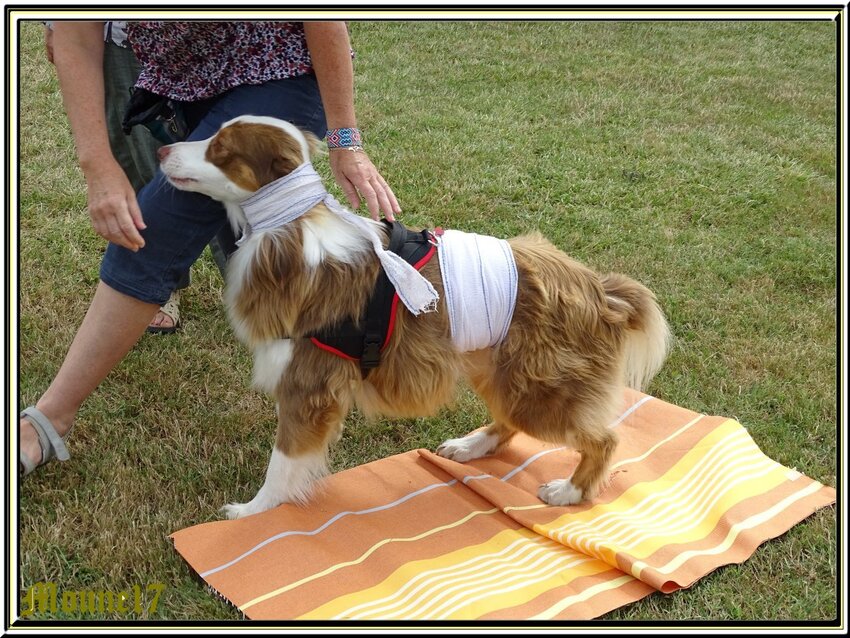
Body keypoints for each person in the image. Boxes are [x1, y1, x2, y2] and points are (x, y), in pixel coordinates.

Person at [20, 21, 401, 476]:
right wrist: (97, 166)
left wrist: (345, 140)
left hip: (277, 69)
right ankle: (337, 358)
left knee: (153, 228)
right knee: (247, 244)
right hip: (182, 80)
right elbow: (75, 30)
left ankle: (50, 417)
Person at [44, 20, 221, 333]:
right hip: (122, 36)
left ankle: (262, 286)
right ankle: (159, 287)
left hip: (223, 37)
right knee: (146, 169)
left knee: (228, 169)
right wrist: (53, 21)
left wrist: (341, 138)